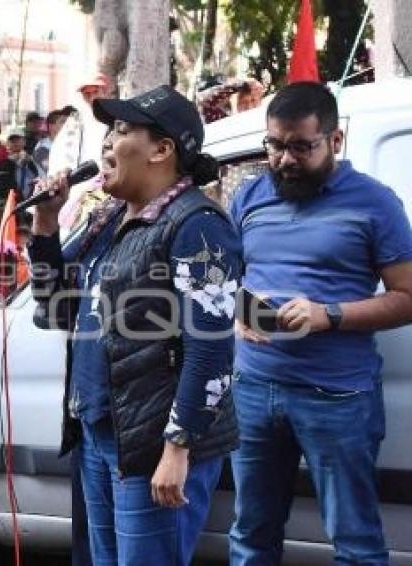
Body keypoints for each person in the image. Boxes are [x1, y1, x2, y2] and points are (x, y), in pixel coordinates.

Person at [29, 85, 241, 565]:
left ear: (162, 151)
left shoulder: (197, 225)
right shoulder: (107, 219)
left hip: (153, 444)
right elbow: (58, 309)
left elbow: (210, 350)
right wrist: (44, 227)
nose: (108, 143)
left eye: (123, 130)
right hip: (102, 430)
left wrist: (178, 445)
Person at [228, 82, 412, 565]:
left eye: (301, 146)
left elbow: (407, 298)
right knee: (250, 536)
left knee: (355, 543)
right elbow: (219, 277)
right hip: (253, 388)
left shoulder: (375, 203)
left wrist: (328, 315)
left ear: (335, 141)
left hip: (338, 396)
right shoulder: (250, 197)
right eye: (275, 145)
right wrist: (240, 307)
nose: (285, 159)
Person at [48, 73, 111, 233]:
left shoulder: (118, 118)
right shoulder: (74, 123)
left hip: (110, 189)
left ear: (106, 91)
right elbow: (58, 158)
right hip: (77, 190)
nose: (91, 97)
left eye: (95, 92)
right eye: (87, 94)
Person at [197, 77, 265, 124]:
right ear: (237, 102)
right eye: (244, 102)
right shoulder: (227, 123)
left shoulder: (265, 122)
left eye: (253, 100)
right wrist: (241, 84)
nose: (249, 106)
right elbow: (203, 101)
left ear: (260, 101)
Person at [33, 109, 69, 175]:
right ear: (51, 126)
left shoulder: (67, 144)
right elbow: (52, 169)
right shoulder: (42, 147)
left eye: (68, 122)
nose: (67, 125)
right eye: (63, 122)